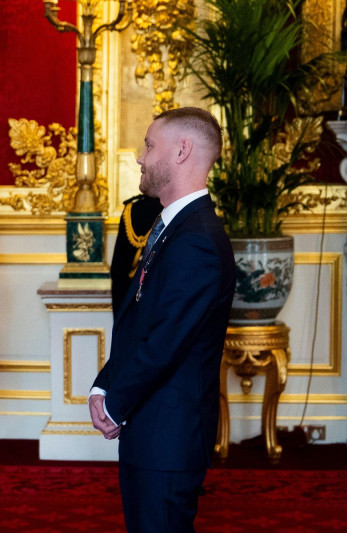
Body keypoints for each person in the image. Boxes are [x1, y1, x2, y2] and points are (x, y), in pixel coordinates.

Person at [89, 107, 236, 532]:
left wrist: (114, 404)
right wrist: (105, 381)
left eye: (150, 145)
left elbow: (165, 341)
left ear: (182, 150)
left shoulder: (198, 241)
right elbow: (141, 323)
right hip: (151, 428)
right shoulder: (174, 228)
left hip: (167, 435)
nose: (140, 156)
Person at [110, 194, 163, 316]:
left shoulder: (130, 209)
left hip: (127, 291)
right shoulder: (165, 210)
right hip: (154, 294)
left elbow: (118, 265)